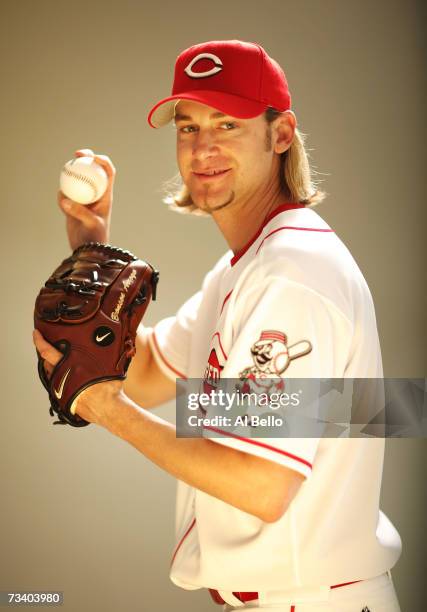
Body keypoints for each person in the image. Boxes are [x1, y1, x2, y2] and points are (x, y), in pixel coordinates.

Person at [33, 40, 403, 611]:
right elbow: (149, 374)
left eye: (228, 123)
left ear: (280, 135)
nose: (202, 147)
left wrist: (107, 410)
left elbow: (261, 484)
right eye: (188, 127)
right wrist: (92, 245)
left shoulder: (292, 274)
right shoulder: (248, 267)